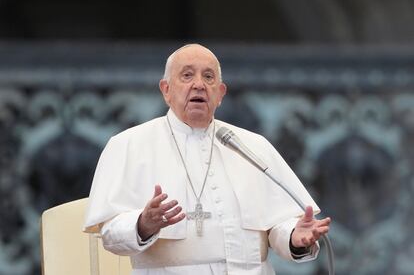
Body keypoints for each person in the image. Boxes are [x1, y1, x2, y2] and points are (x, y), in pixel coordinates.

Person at [84, 44, 331, 275]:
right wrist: (142, 224)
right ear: (166, 90)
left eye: (209, 77)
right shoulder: (128, 145)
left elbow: (276, 224)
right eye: (187, 75)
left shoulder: (252, 146)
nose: (199, 85)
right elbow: (110, 234)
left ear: (220, 93)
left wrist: (293, 237)